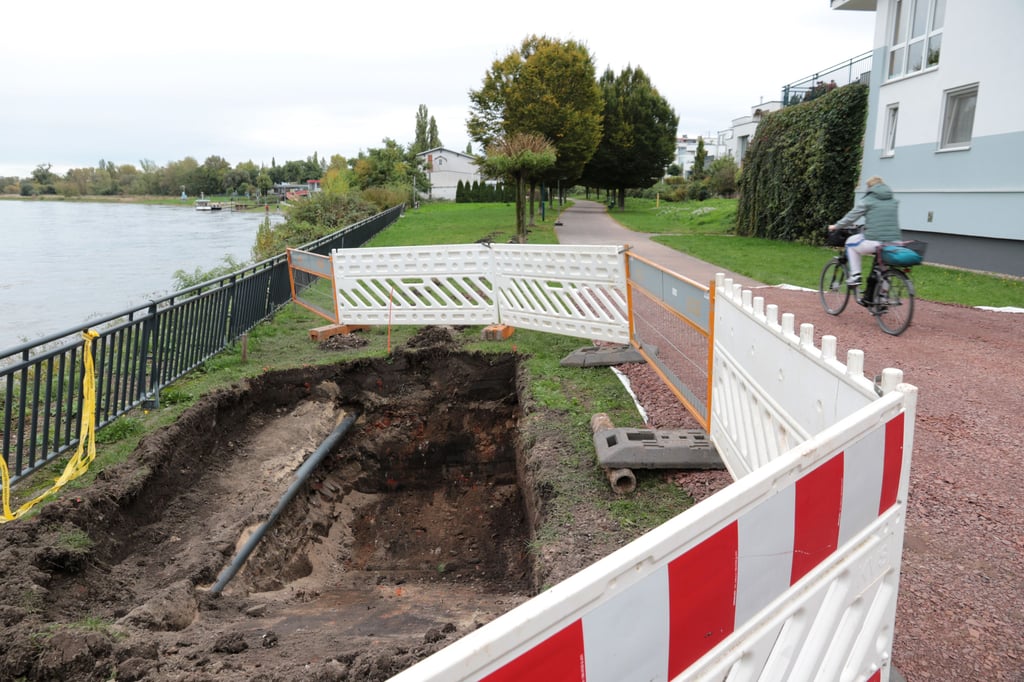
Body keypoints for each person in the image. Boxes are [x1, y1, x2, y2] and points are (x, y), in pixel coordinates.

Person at [828, 176, 901, 286]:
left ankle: (855, 276)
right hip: (895, 242)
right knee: (882, 268)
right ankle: (883, 296)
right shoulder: (892, 200)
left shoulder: (869, 199)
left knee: (850, 243)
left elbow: (851, 217)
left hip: (875, 240)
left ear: (870, 187)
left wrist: (836, 226)